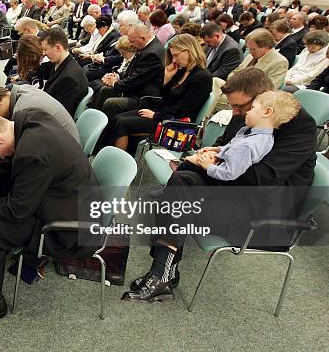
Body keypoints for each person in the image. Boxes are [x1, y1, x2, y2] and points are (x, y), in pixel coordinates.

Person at [122, 67, 317, 302]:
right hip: (239, 192)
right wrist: (207, 155)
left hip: (266, 211)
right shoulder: (249, 114)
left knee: (177, 194)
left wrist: (207, 163)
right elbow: (225, 144)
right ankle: (165, 272)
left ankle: (163, 272)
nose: (235, 112)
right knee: (182, 183)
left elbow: (262, 178)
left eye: (241, 107)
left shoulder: (300, 125)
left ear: (264, 103)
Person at [0, 110, 99, 326]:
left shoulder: (32, 153)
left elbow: (16, 210)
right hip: (67, 200)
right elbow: (8, 162)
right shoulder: (27, 119)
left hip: (66, 228)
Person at [104, 34, 212, 156]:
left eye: (176, 55)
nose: (174, 60)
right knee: (117, 118)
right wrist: (166, 78)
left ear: (188, 51)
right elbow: (165, 98)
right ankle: (113, 156)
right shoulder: (182, 70)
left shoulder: (202, 77)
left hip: (176, 122)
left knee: (122, 123)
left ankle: (118, 162)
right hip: (166, 113)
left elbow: (183, 109)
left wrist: (156, 116)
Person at [189, 90, 300, 180]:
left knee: (189, 164)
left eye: (253, 108)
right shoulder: (255, 135)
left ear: (267, 112)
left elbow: (229, 173)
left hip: (220, 179)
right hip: (219, 166)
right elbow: (234, 149)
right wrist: (217, 149)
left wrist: (208, 166)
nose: (247, 112)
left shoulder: (249, 145)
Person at [88, 24, 165, 119]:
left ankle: (104, 128)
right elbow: (133, 73)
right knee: (105, 90)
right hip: (135, 88)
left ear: (142, 38)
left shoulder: (153, 53)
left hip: (142, 96)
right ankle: (92, 118)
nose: (131, 44)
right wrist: (117, 77)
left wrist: (115, 83)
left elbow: (136, 80)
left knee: (111, 103)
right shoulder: (146, 47)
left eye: (132, 41)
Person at [40, 27, 88, 116]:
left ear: (58, 47)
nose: (43, 53)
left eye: (45, 49)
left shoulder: (68, 78)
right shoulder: (63, 64)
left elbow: (58, 114)